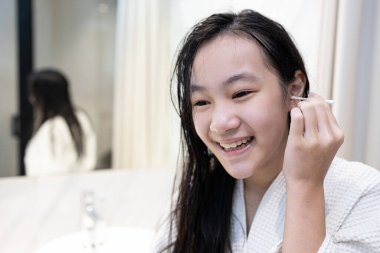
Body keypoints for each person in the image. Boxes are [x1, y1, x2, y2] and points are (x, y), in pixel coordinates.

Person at [152, 9, 380, 253]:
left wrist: (305, 185)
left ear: (294, 89)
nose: (220, 123)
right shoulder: (193, 197)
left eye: (241, 93)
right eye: (201, 102)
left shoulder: (362, 192)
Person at [24, 69, 97, 176]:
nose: (31, 99)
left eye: (34, 94)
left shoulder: (53, 128)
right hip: (75, 186)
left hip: (53, 189)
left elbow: (50, 172)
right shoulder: (80, 118)